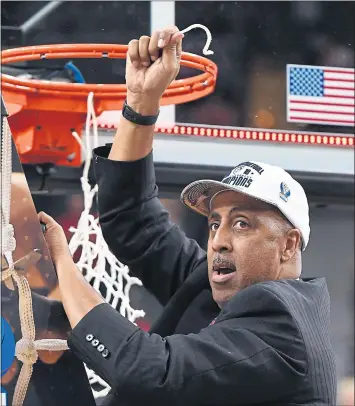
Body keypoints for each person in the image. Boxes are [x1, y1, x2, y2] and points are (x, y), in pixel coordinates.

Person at [38, 26, 337, 406]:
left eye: (242, 223)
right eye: (215, 223)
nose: (219, 239)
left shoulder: (283, 323)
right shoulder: (220, 288)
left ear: (288, 244)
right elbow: (135, 222)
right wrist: (142, 101)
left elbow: (147, 371)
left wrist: (63, 266)